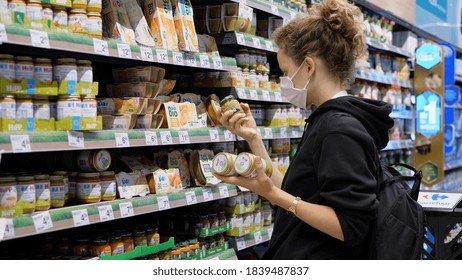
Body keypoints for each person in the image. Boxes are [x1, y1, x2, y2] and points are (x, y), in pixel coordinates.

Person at [214, 0, 394, 259]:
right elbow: (296, 193)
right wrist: (254, 139)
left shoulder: (338, 130)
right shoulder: (325, 120)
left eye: (286, 71)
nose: (283, 81)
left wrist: (274, 195)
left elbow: (351, 226)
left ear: (308, 67)